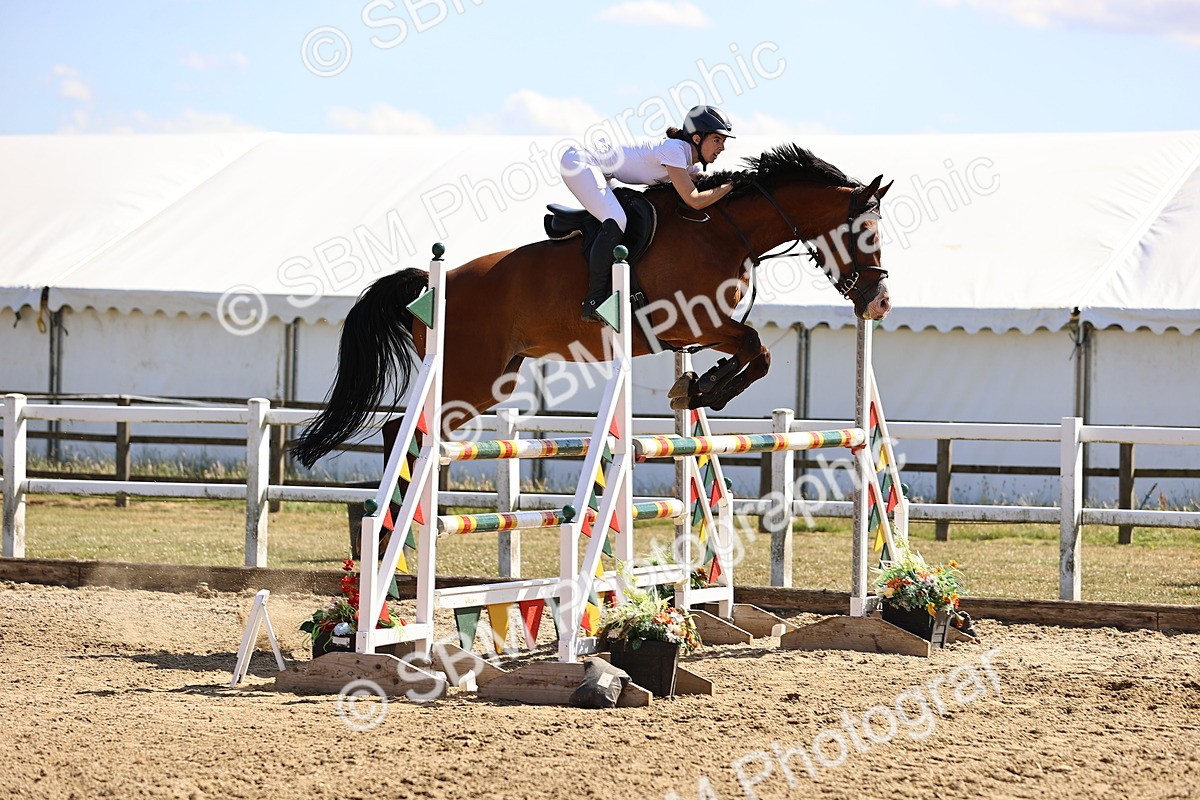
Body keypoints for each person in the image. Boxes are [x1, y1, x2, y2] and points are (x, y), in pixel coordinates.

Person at [559, 105, 736, 320]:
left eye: (723, 142)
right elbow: (695, 200)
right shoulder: (674, 151)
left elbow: (705, 188)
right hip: (580, 161)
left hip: (605, 171)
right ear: (697, 139)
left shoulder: (686, 163)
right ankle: (594, 301)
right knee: (617, 219)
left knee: (628, 215)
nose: (722, 148)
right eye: (717, 140)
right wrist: (732, 185)